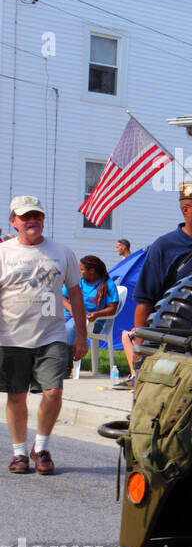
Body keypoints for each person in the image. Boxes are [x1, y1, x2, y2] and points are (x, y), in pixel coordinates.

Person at [1, 196, 86, 474]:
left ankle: (42, 447)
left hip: (51, 335)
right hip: (10, 336)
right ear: (13, 221)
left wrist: (81, 336)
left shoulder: (62, 252)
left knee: (53, 391)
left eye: (36, 215)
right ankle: (19, 454)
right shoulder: (3, 253)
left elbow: (75, 293)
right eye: (25, 216)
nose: (32, 220)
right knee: (16, 396)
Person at [125, 183, 192, 389]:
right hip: (171, 341)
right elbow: (145, 301)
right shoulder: (164, 247)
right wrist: (140, 347)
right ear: (186, 210)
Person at [61, 255, 119, 351]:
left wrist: (96, 314)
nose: (78, 272)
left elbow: (112, 309)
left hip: (92, 320)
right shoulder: (78, 281)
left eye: (81, 270)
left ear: (92, 270)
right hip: (71, 314)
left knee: (70, 327)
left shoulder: (108, 284)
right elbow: (62, 296)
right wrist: (71, 309)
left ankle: (66, 359)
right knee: (52, 323)